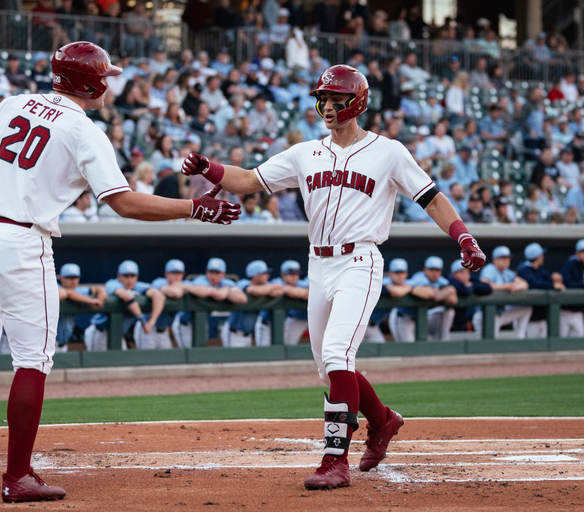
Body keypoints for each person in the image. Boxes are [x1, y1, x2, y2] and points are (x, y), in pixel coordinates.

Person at [0, 42, 240, 503]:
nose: (110, 83)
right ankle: (18, 476)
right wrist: (193, 208)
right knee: (33, 360)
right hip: (21, 242)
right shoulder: (84, 130)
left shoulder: (12, 103)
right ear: (93, 82)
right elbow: (123, 203)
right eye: (106, 76)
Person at [180, 64, 486, 490]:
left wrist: (463, 236)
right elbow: (250, 179)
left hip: (360, 259)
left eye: (336, 99)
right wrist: (209, 168)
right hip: (318, 263)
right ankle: (382, 421)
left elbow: (430, 198)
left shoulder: (389, 152)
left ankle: (334, 459)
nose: (327, 106)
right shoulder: (306, 152)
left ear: (356, 102)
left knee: (338, 353)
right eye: (323, 99)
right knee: (327, 367)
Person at [84, 260, 164, 351]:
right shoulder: (112, 283)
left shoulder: (138, 286)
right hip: (100, 331)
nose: (129, 280)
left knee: (120, 362)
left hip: (118, 334)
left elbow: (158, 295)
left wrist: (151, 321)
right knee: (98, 363)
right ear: (118, 276)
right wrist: (142, 320)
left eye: (132, 276)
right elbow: (125, 296)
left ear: (137, 277)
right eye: (126, 276)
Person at [171, 258, 244, 348]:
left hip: (201, 323)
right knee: (189, 353)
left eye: (217, 273)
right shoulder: (201, 280)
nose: (213, 276)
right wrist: (221, 291)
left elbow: (242, 298)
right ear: (206, 272)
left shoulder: (225, 283)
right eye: (211, 272)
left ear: (223, 274)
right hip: (185, 323)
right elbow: (216, 294)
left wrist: (226, 289)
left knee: (200, 350)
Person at [389, 256, 458, 342]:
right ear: (425, 270)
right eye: (431, 270)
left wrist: (447, 291)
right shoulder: (418, 278)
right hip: (404, 316)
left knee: (449, 311)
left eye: (437, 270)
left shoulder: (441, 281)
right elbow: (429, 294)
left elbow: (453, 300)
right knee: (409, 348)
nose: (434, 273)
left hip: (423, 318)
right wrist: (445, 291)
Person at [220, 260, 280, 347]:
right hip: (234, 332)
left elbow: (278, 292)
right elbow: (255, 291)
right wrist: (274, 286)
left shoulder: (265, 286)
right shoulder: (243, 283)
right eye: (264, 273)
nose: (267, 276)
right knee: (234, 359)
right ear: (255, 275)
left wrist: (269, 288)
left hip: (249, 335)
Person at [477, 246, 532, 339]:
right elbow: (484, 285)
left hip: (501, 312)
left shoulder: (507, 272)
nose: (506, 260)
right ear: (495, 260)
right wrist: (506, 286)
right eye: (503, 258)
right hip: (485, 314)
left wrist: (515, 286)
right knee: (488, 347)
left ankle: (520, 339)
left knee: (526, 309)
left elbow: (525, 284)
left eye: (508, 258)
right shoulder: (489, 269)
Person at [139, 259, 194, 350]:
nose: (176, 276)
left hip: (164, 331)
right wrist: (183, 287)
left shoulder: (184, 284)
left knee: (167, 360)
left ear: (183, 274)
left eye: (179, 273)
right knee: (146, 361)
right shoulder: (159, 282)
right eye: (173, 273)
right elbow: (175, 293)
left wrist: (184, 286)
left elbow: (204, 290)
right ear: (166, 274)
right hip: (147, 328)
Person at [255, 260, 310, 346]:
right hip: (266, 324)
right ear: (283, 275)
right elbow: (276, 290)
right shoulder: (276, 282)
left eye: (297, 274)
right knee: (264, 352)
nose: (295, 277)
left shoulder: (298, 284)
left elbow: (307, 293)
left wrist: (287, 289)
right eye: (291, 274)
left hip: (281, 325)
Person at [517, 243, 565, 338]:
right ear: (537, 256)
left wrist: (555, 278)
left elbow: (549, 279)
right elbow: (534, 284)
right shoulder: (524, 269)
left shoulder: (539, 269)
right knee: (531, 346)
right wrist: (553, 285)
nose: (543, 257)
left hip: (541, 317)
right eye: (541, 255)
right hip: (529, 318)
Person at [56, 263, 105, 353]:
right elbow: (66, 293)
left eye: (75, 278)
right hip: (48, 343)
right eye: (69, 278)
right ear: (62, 278)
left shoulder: (78, 291)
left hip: (63, 343)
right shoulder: (56, 288)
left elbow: (99, 288)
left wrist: (100, 297)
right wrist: (91, 301)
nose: (73, 281)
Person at [363, 258, 412, 343]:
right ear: (390, 274)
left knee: (380, 346)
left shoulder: (405, 283)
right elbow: (396, 292)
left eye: (402, 272)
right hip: (360, 322)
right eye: (396, 273)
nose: (399, 276)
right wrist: (409, 287)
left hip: (373, 325)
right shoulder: (384, 281)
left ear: (406, 274)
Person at [560, 239, 584, 338]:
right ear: (577, 253)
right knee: (560, 342)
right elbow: (566, 283)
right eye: (583, 252)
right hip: (565, 311)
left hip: (579, 313)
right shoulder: (570, 264)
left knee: (578, 342)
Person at [447, 258, 492, 334]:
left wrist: (472, 285)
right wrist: (469, 287)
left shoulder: (471, 281)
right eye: (461, 272)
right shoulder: (450, 281)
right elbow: (462, 290)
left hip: (467, 323)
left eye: (467, 272)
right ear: (453, 274)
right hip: (451, 324)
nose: (465, 275)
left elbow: (488, 288)